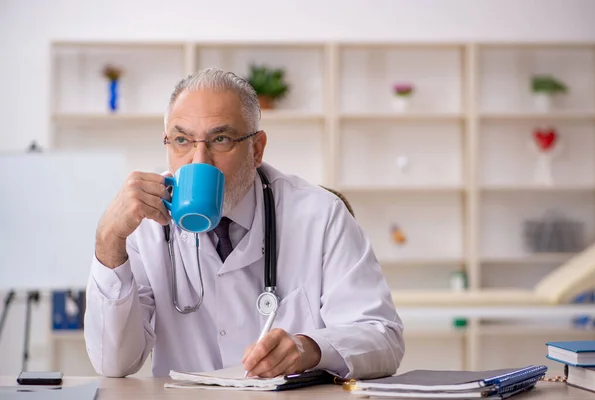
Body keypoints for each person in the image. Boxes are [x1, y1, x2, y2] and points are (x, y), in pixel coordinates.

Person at [84, 67, 405, 380]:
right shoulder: (145, 222)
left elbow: (382, 337)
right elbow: (113, 362)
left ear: (257, 149)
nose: (199, 160)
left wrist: (310, 348)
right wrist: (108, 241)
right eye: (182, 140)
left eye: (220, 139)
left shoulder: (321, 215)